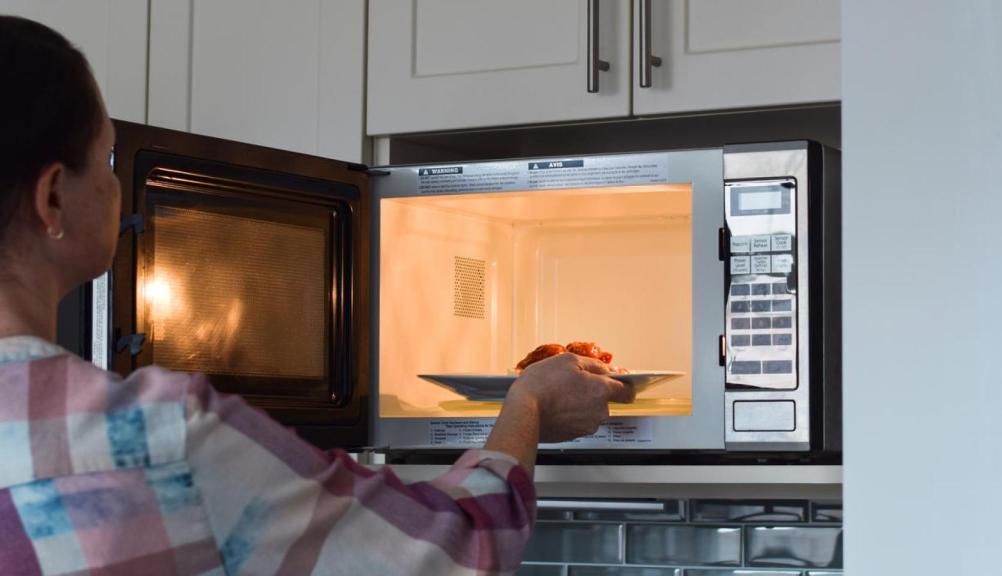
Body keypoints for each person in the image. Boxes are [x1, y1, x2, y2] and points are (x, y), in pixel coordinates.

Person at [0, 15, 635, 576]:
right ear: (53, 196)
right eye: (108, 162)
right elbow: (450, 555)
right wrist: (527, 406)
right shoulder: (159, 437)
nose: (117, 194)